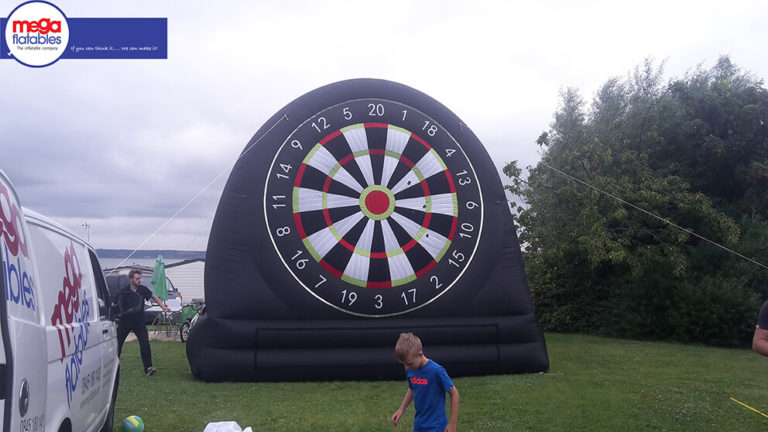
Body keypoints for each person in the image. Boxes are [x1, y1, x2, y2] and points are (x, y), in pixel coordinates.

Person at [391, 332, 459, 432]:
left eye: (409, 364)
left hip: (437, 426)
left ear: (420, 354)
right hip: (419, 424)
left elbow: (454, 394)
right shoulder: (411, 369)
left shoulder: (437, 371)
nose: (406, 368)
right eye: (404, 364)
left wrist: (452, 423)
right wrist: (401, 409)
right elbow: (412, 388)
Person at [113, 269, 170, 375]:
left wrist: (163, 306)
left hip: (139, 322)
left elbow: (154, 297)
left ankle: (148, 368)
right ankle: (113, 367)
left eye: (140, 278)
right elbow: (114, 304)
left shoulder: (143, 289)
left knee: (145, 344)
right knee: (118, 344)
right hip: (125, 321)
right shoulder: (123, 291)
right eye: (137, 278)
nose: (140, 280)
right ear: (131, 279)